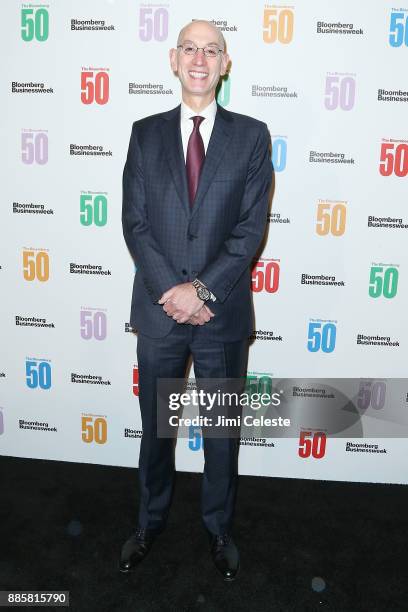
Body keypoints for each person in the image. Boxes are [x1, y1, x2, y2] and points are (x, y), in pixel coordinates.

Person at [120, 19, 272, 581]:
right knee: (155, 431)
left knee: (220, 434)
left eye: (212, 50)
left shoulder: (252, 136)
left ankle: (219, 529)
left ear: (226, 63)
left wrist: (202, 291)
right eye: (190, 48)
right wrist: (173, 292)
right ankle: (148, 523)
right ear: (172, 58)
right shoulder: (144, 132)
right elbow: (135, 223)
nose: (200, 59)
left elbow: (249, 230)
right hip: (160, 315)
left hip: (221, 314)